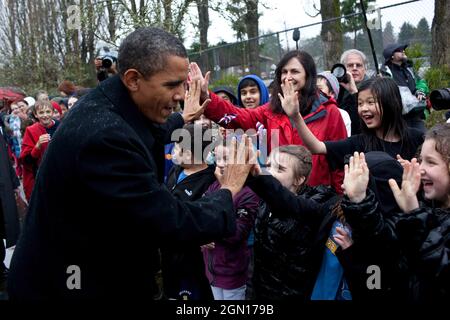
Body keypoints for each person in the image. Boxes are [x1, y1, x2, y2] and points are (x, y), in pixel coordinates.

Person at [7, 27, 253, 300]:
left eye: (183, 85)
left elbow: (142, 130)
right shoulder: (105, 138)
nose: (181, 94)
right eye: (171, 85)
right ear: (134, 79)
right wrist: (228, 190)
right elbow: (169, 221)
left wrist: (181, 118)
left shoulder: (111, 104)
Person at [191, 50, 348, 193]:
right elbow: (237, 116)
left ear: (308, 76)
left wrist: (340, 205)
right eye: (284, 72)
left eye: (295, 71)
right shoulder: (270, 111)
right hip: (278, 196)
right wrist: (206, 96)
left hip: (317, 198)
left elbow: (339, 161)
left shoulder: (329, 112)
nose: (288, 77)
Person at [246, 145, 338, 300]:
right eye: (268, 166)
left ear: (299, 179)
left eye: (280, 169)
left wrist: (259, 178)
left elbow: (287, 202)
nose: (270, 172)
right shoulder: (265, 202)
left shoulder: (315, 206)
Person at [285, 77, 424, 172]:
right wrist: (296, 117)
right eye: (360, 103)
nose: (363, 109)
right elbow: (317, 147)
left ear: (391, 103)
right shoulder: (358, 144)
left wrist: (415, 170)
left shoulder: (418, 138)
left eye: (370, 102)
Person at [202, 141, 259, 300]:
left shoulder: (248, 194)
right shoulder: (213, 187)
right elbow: (202, 213)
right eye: (217, 158)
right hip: (212, 268)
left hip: (232, 270)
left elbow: (237, 233)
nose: (220, 164)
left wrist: (208, 231)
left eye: (226, 158)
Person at [380, 43, 430, 134]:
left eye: (403, 49)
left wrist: (420, 91)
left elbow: (421, 82)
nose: (403, 51)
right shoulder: (384, 73)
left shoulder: (409, 69)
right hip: (397, 118)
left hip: (416, 115)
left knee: (423, 139)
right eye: (399, 50)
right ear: (391, 55)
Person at [19, 100, 60, 201]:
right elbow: (26, 161)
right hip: (41, 176)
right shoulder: (31, 130)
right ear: (36, 115)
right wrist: (37, 146)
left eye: (48, 111)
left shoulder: (61, 126)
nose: (45, 115)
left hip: (60, 174)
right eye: (41, 112)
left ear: (52, 112)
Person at [337, 49, 370, 135]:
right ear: (343, 68)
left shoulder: (373, 88)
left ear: (365, 69)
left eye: (358, 65)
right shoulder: (337, 88)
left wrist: (354, 92)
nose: (354, 68)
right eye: (350, 65)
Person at [317, 71, 352, 137]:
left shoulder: (342, 115)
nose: (314, 92)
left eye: (319, 89)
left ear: (332, 94)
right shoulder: (304, 112)